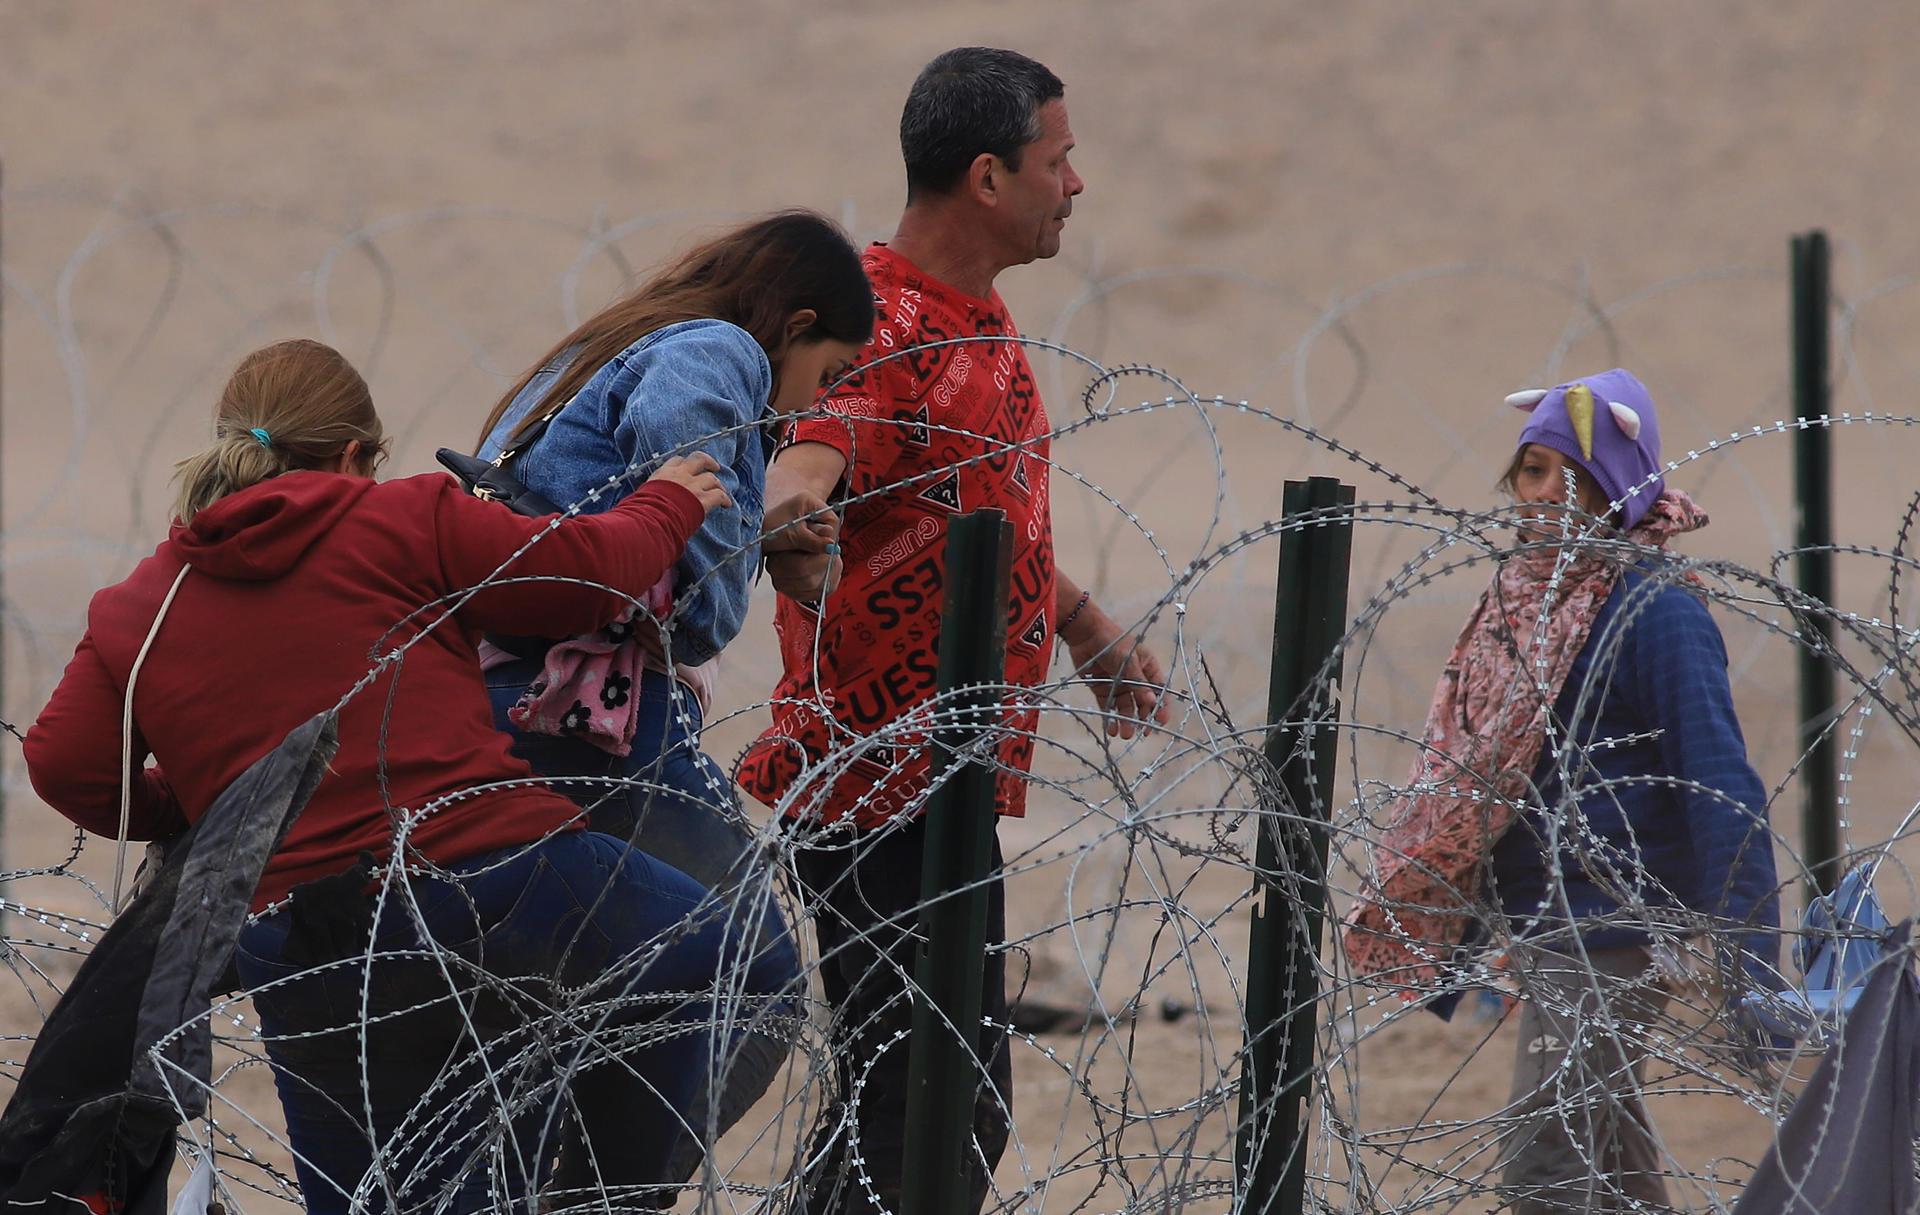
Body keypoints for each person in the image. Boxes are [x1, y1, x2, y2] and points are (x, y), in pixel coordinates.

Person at [22, 339, 772, 1212]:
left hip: (299, 937)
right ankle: (601, 1200)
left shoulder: (139, 604)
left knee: (381, 1196)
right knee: (733, 958)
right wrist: (668, 504)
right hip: (483, 878)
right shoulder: (398, 516)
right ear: (350, 458)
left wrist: (199, 802)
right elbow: (583, 575)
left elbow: (65, 766)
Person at [734, 48, 1170, 1215]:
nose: (1075, 184)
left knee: (912, 1106)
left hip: (951, 780)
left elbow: (973, 515)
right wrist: (794, 515)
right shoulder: (876, 330)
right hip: (878, 792)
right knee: (937, 1110)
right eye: (1058, 160)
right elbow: (811, 459)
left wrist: (1083, 626)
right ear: (989, 177)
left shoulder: (980, 316)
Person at [472, 210, 873, 1186]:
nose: (803, 411)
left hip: (506, 694)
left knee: (566, 995)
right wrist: (731, 559)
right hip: (596, 711)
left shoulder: (601, 349)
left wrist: (753, 538)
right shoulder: (720, 347)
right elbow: (676, 444)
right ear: (796, 321)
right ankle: (602, 1199)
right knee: (756, 976)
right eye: (824, 374)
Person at [1341, 369, 1781, 1214]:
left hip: (1613, 925)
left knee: (1547, 1150)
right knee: (1606, 1153)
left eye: (1568, 476)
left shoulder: (1657, 611)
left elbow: (1721, 782)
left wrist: (1749, 956)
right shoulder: (1527, 607)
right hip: (1548, 923)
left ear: (1615, 487)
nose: (1541, 495)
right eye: (1530, 471)